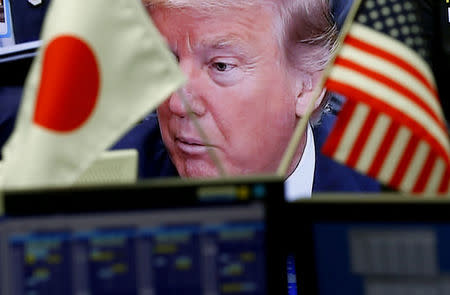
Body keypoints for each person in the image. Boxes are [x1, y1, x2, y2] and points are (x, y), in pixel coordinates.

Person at [113, 0, 381, 199]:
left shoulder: (386, 188)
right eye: (168, 60)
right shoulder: (106, 182)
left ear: (307, 86)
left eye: (220, 66)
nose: (177, 104)